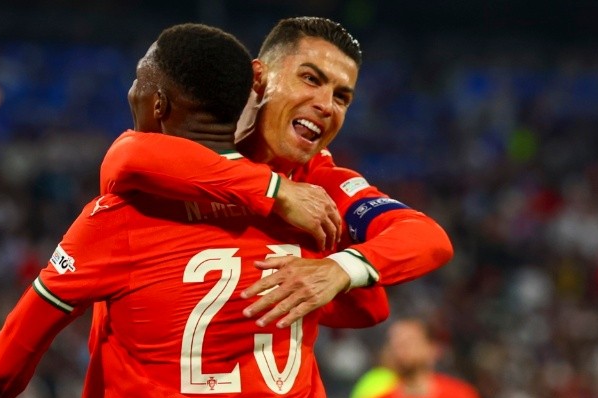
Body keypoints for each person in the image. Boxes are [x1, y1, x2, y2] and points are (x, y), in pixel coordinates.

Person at [0, 23, 389, 398]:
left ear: (158, 105)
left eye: (139, 82)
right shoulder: (301, 213)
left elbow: (18, 341)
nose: (132, 93)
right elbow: (371, 306)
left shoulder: (123, 216)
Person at [100, 16, 454, 328]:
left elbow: (426, 239)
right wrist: (275, 190)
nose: (326, 105)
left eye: (342, 97)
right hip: (126, 386)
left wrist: (339, 269)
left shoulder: (322, 183)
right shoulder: (196, 133)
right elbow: (126, 158)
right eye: (311, 78)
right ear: (258, 77)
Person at [343, 319, 500, 398]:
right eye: (396, 344)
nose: (401, 350)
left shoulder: (460, 396)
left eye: (409, 342)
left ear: (431, 348)